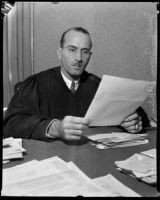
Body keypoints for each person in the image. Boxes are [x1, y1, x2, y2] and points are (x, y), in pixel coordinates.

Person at [3, 27, 150, 141]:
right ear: (60, 53)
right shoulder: (36, 84)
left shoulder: (99, 86)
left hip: (92, 161)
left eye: (85, 52)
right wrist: (55, 127)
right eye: (72, 50)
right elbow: (11, 124)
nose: (79, 58)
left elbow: (137, 115)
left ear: (89, 56)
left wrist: (132, 122)